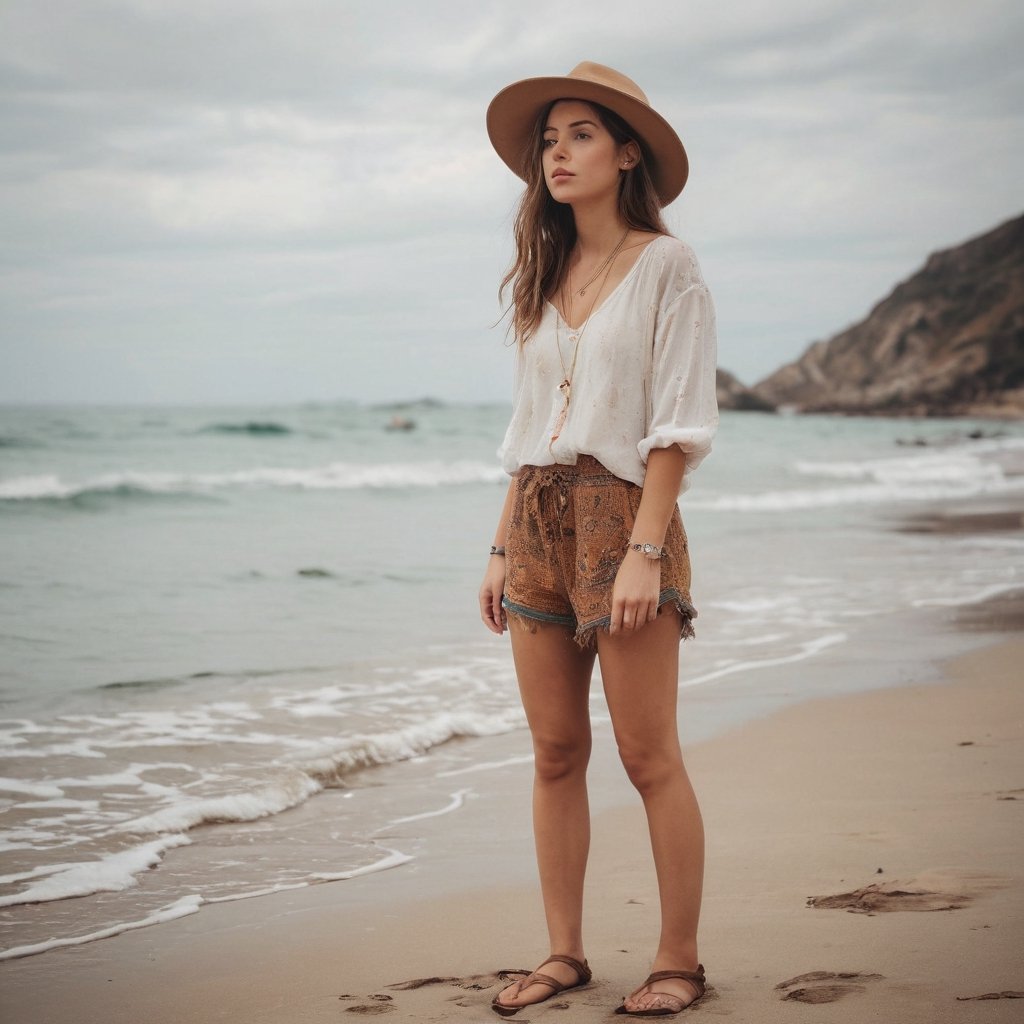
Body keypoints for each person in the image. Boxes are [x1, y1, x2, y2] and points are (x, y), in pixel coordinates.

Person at [478, 62, 719, 1017]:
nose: (558, 154)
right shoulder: (543, 275)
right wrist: (500, 547)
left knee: (648, 753)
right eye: (548, 140)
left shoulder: (669, 266)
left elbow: (679, 424)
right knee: (553, 751)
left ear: (628, 155)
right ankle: (565, 954)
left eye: (580, 135)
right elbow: (530, 427)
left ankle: (678, 961)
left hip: (625, 519)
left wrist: (645, 551)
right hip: (535, 518)